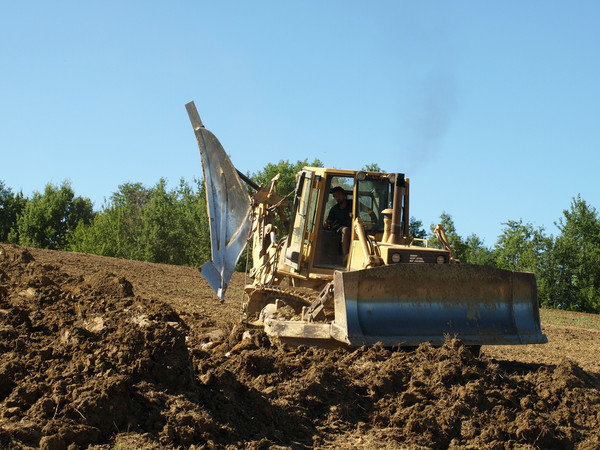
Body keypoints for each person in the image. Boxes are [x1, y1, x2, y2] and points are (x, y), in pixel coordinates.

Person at [323, 186, 352, 257]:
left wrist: (376, 221)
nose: (337, 198)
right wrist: (325, 224)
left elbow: (367, 210)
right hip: (339, 230)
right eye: (335, 196)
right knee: (345, 230)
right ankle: (346, 256)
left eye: (339, 195)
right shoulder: (334, 209)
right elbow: (328, 221)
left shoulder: (352, 204)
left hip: (354, 228)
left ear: (343, 195)